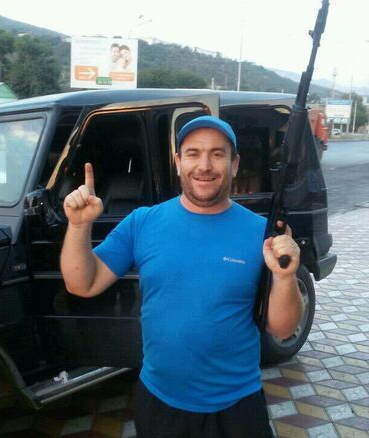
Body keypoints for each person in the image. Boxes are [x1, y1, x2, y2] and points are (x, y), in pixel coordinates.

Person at [60, 115, 304, 437]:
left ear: (234, 164)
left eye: (217, 154)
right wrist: (78, 226)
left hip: (238, 408)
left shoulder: (263, 235)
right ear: (178, 162)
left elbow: (282, 328)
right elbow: (82, 283)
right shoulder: (143, 222)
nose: (204, 165)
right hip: (160, 405)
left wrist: (286, 277)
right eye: (193, 153)